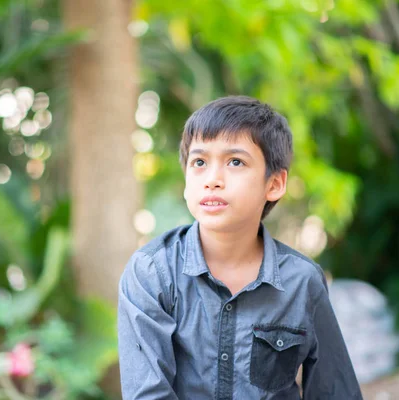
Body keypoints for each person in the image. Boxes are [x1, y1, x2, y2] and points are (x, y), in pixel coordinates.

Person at [117, 96, 363, 399]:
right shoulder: (151, 273)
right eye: (199, 162)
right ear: (185, 182)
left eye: (235, 161)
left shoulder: (302, 281)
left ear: (274, 184)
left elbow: (336, 391)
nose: (212, 179)